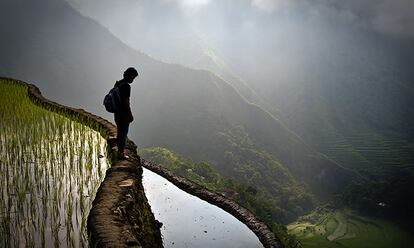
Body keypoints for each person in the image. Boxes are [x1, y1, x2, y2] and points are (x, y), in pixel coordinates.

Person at [114, 67, 138, 159]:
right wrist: (130, 114)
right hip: (123, 114)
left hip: (117, 112)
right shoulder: (126, 86)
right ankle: (121, 153)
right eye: (133, 77)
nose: (133, 80)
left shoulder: (118, 83)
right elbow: (126, 102)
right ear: (130, 76)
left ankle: (119, 151)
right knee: (123, 133)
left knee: (120, 131)